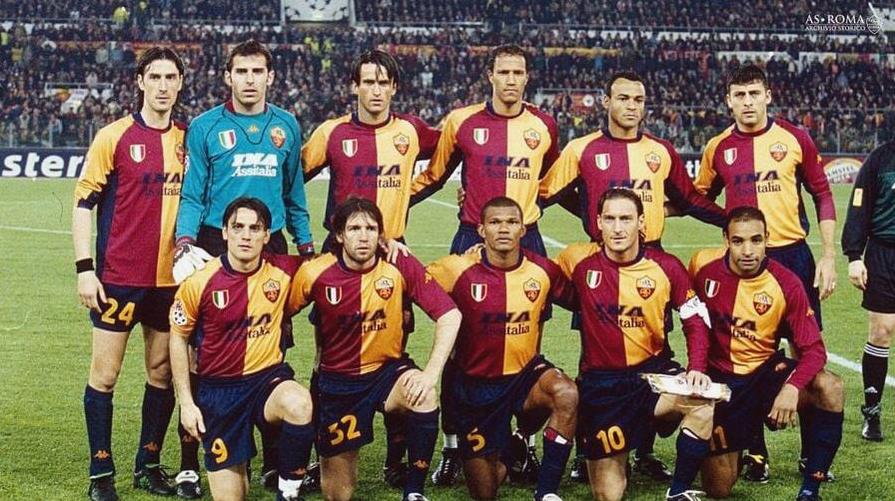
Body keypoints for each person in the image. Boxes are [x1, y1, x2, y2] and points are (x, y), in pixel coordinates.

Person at [540, 71, 725, 482]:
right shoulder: (582, 149)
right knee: (600, 352)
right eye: (623, 98)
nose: (631, 106)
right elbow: (546, 193)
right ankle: (589, 440)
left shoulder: (661, 151)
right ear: (606, 101)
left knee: (650, 348)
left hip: (652, 261)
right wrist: (591, 216)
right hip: (600, 262)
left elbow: (689, 197)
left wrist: (730, 219)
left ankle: (642, 449)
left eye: (639, 99)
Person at [409, 43, 558, 484]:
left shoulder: (544, 125)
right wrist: (388, 217)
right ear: (489, 76)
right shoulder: (462, 122)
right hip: (471, 238)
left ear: (527, 78)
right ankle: (454, 447)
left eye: (518, 72)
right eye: (503, 72)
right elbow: (433, 176)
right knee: (459, 348)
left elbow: (550, 183)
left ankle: (523, 444)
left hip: (527, 240)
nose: (511, 80)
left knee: (525, 343)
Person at [173, 39, 314, 490]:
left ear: (270, 77)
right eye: (242, 71)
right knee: (202, 352)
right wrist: (184, 240)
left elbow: (295, 193)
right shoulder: (206, 126)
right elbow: (193, 191)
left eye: (258, 72)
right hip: (217, 239)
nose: (250, 80)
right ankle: (192, 460)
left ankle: (276, 460)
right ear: (227, 76)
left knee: (272, 345)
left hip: (269, 242)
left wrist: (306, 244)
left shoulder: (287, 126)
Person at [301, 48, 440, 488]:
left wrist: (417, 190)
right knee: (327, 354)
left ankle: (396, 460)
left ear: (394, 88)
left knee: (393, 350)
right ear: (354, 86)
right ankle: (316, 449)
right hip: (339, 253)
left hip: (392, 256)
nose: (375, 90)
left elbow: (452, 154)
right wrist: (305, 241)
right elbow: (290, 180)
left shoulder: (411, 131)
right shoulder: (333, 132)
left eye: (384, 82)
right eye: (368, 82)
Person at [694, 63, 837, 482]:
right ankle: (754, 452)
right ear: (728, 100)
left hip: (791, 255)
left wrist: (827, 256)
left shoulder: (795, 138)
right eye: (739, 95)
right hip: (742, 260)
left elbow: (822, 192)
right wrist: (730, 223)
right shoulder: (718, 147)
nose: (747, 102)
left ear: (768, 95)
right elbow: (698, 197)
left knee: (802, 355)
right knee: (742, 353)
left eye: (754, 94)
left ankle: (812, 458)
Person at [286, 197, 461, 501]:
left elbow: (450, 315)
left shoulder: (399, 263)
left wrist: (430, 373)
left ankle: (414, 492)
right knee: (338, 494)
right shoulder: (315, 273)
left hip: (386, 373)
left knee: (423, 395)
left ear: (381, 235)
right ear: (339, 235)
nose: (363, 235)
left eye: (371, 228)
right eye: (354, 228)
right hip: (339, 384)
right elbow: (279, 312)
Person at [73, 47, 186, 501]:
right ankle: (101, 474)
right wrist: (85, 270)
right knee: (105, 374)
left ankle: (149, 464)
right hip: (119, 278)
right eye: (154, 76)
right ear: (140, 81)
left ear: (180, 83)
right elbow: (83, 205)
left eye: (170, 77)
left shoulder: (189, 139)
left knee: (161, 373)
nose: (162, 85)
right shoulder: (114, 137)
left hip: (170, 283)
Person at [555, 188, 715, 501]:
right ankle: (620, 452)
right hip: (603, 387)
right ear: (598, 222)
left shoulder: (667, 267)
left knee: (701, 403)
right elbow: (538, 276)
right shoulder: (577, 261)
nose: (618, 228)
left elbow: (695, 320)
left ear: (641, 222)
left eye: (626, 219)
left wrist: (696, 368)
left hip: (651, 376)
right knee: (609, 495)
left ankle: (678, 492)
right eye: (610, 219)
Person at [426, 197, 578, 501]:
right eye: (495, 222)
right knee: (485, 492)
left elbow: (583, 299)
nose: (504, 229)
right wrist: (393, 251)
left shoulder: (543, 271)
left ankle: (546, 492)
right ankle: (514, 450)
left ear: (523, 229)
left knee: (566, 392)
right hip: (475, 386)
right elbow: (410, 285)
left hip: (525, 377)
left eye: (511, 222)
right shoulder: (455, 268)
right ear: (481, 230)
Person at [690, 206, 844, 501]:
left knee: (831, 386)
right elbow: (692, 327)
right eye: (738, 241)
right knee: (718, 489)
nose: (748, 250)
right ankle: (735, 444)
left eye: (756, 240)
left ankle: (810, 489)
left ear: (767, 240)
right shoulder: (705, 274)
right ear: (726, 239)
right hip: (723, 387)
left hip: (765, 379)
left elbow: (814, 350)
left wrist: (791, 388)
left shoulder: (786, 282)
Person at [170, 198, 315, 501]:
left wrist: (385, 247)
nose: (246, 235)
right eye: (238, 227)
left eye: (255, 228)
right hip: (219, 394)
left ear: (267, 235)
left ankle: (288, 493)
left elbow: (333, 263)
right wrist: (186, 402)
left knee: (299, 403)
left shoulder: (286, 271)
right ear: (224, 232)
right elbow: (178, 338)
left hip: (265, 383)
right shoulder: (199, 281)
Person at [841, 140, 895, 441]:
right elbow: (858, 206)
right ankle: (872, 413)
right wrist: (853, 256)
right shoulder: (880, 159)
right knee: (882, 331)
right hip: (884, 255)